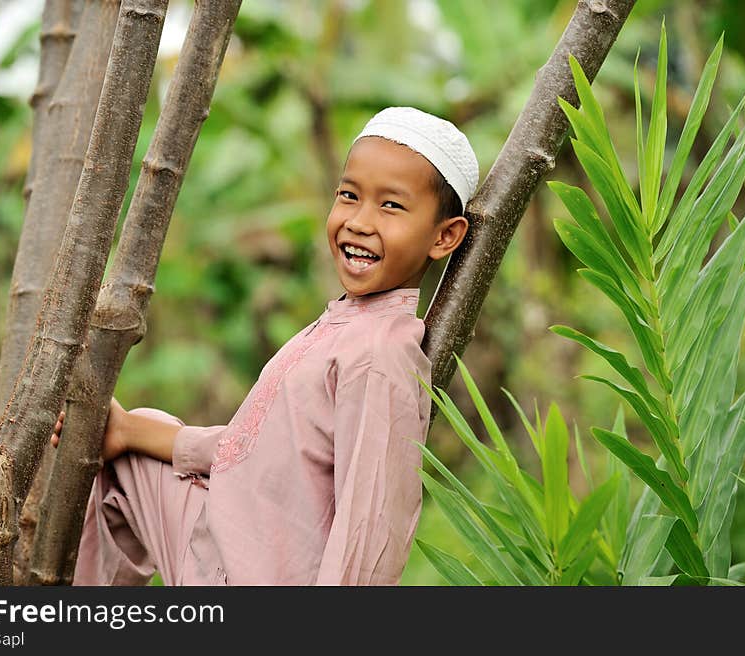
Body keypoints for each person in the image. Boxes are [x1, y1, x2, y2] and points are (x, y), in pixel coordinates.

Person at [53, 106, 478, 585]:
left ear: (445, 236)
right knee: (131, 446)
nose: (358, 221)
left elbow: (370, 530)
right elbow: (259, 451)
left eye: (391, 206)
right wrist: (129, 431)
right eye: (349, 196)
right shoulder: (343, 325)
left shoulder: (380, 355)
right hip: (216, 550)